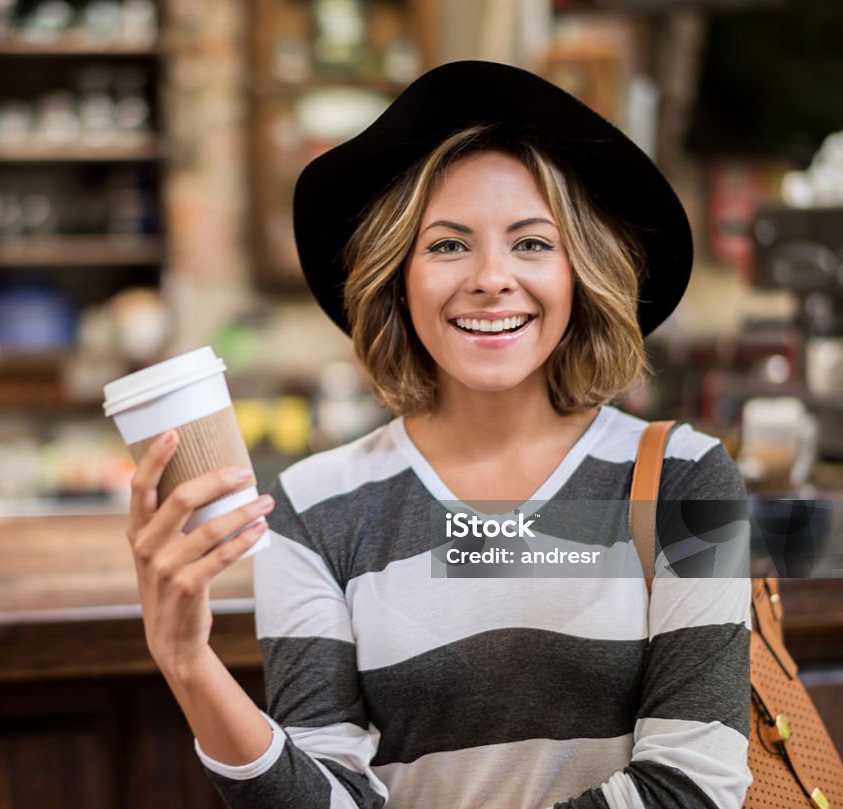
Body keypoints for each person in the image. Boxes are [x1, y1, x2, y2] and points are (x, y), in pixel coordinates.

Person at [124, 61, 752, 808]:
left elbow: (695, 785)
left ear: (582, 272)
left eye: (532, 243)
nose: (491, 278)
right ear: (399, 278)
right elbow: (326, 794)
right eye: (448, 245)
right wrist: (188, 663)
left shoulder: (691, 478)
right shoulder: (312, 508)